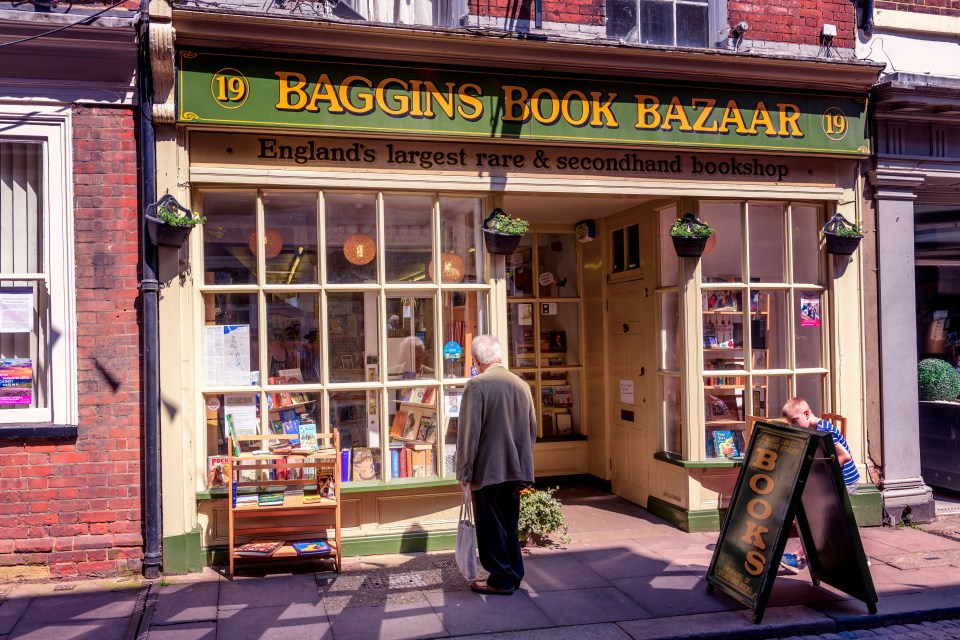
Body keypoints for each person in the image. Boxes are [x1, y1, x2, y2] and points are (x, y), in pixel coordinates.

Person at [456, 335, 537, 595]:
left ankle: (500, 579)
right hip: (517, 469)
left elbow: (469, 435)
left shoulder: (477, 386)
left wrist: (464, 471)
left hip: (488, 471)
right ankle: (514, 574)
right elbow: (532, 429)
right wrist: (521, 460)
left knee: (491, 528)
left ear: (477, 360)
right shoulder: (521, 385)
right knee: (510, 525)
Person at [779, 397, 861, 573]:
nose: (794, 426)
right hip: (831, 481)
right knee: (826, 519)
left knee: (823, 517)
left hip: (845, 480)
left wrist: (824, 474)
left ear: (807, 414)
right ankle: (857, 556)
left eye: (795, 421)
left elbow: (844, 456)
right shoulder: (813, 428)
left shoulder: (824, 430)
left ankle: (797, 556)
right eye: (790, 423)